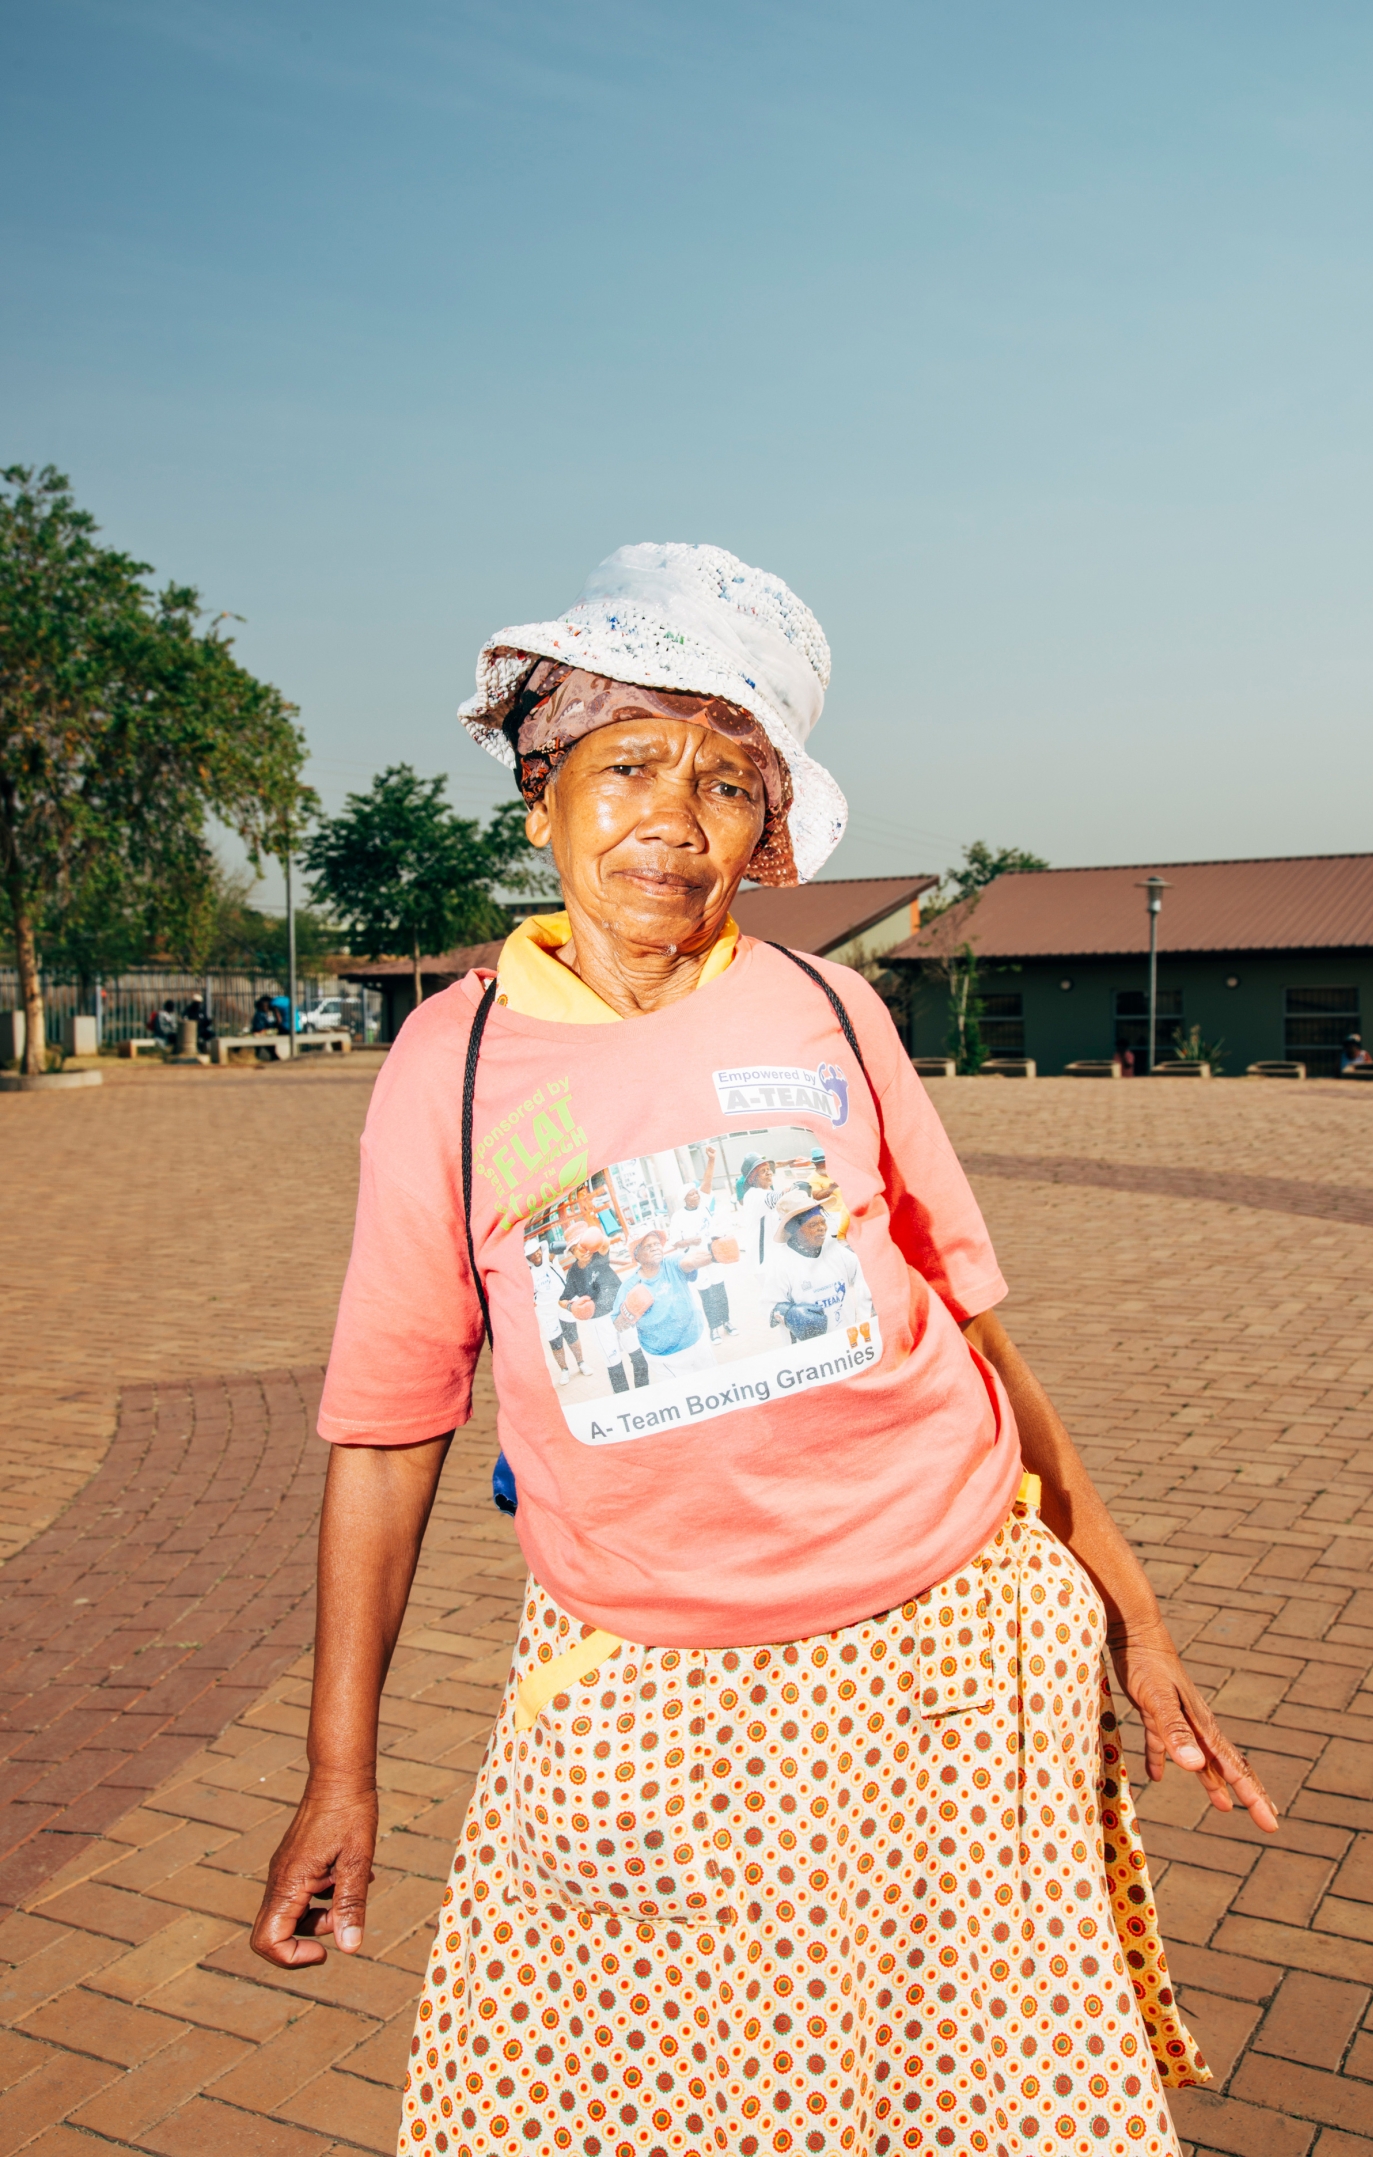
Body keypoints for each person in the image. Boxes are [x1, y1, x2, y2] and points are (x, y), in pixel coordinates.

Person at [255, 542, 1272, 2157]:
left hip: (947, 1637)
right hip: (648, 1681)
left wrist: (1133, 1612)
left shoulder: (824, 1006)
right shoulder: (450, 1069)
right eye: (629, 765)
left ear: (767, 828)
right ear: (539, 796)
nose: (674, 816)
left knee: (972, 2093)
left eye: (728, 783)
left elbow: (971, 1324)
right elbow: (387, 1430)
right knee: (650, 2103)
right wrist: (339, 1769)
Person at [762, 1183, 872, 1341]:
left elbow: (862, 1272)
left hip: (847, 1341)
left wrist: (870, 1303)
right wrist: (787, 1313)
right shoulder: (781, 1263)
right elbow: (768, 1306)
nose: (822, 1228)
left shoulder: (834, 1250)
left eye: (822, 1222)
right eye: (813, 1224)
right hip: (811, 1354)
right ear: (794, 1230)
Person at [613, 1227, 716, 1377]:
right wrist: (630, 1309)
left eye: (657, 1244)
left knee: (714, 1384)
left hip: (697, 1340)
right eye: (648, 1246)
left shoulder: (672, 1263)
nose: (655, 1248)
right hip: (666, 1357)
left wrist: (713, 1256)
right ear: (637, 1255)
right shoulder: (629, 1286)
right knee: (683, 1396)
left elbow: (690, 1261)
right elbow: (618, 1324)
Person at [559, 1228, 647, 1393]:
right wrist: (572, 1306)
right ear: (572, 1252)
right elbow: (562, 1299)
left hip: (621, 1312)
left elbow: (604, 1243)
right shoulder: (573, 1273)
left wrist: (591, 1238)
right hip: (598, 1322)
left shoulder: (598, 1256)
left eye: (585, 1245)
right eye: (577, 1248)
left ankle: (644, 1393)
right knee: (614, 1365)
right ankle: (626, 1403)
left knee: (638, 1356)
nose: (583, 1251)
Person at [664, 1146, 736, 1339]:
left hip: (713, 1253)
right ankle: (714, 1328)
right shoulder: (678, 1217)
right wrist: (689, 1240)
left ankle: (727, 1321)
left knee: (719, 1288)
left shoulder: (703, 1204)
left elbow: (708, 1181)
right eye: (692, 1195)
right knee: (707, 1293)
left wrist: (711, 1160)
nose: (696, 1196)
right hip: (696, 1258)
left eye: (696, 1193)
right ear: (685, 1199)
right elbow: (674, 1242)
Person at [526, 1239, 589, 1385]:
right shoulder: (529, 1272)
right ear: (528, 1258)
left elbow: (556, 1249)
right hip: (545, 1310)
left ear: (540, 1250)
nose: (535, 1256)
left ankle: (581, 1363)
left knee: (572, 1336)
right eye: (531, 1255)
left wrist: (555, 1247)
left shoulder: (549, 1260)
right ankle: (564, 1371)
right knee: (555, 1341)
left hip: (563, 1303)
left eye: (536, 1251)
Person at [734, 1149, 777, 1266]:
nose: (769, 1172)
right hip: (763, 1259)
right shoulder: (754, 1195)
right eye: (763, 1171)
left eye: (768, 1169)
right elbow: (782, 1199)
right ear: (754, 1178)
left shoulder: (766, 1189)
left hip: (774, 1253)